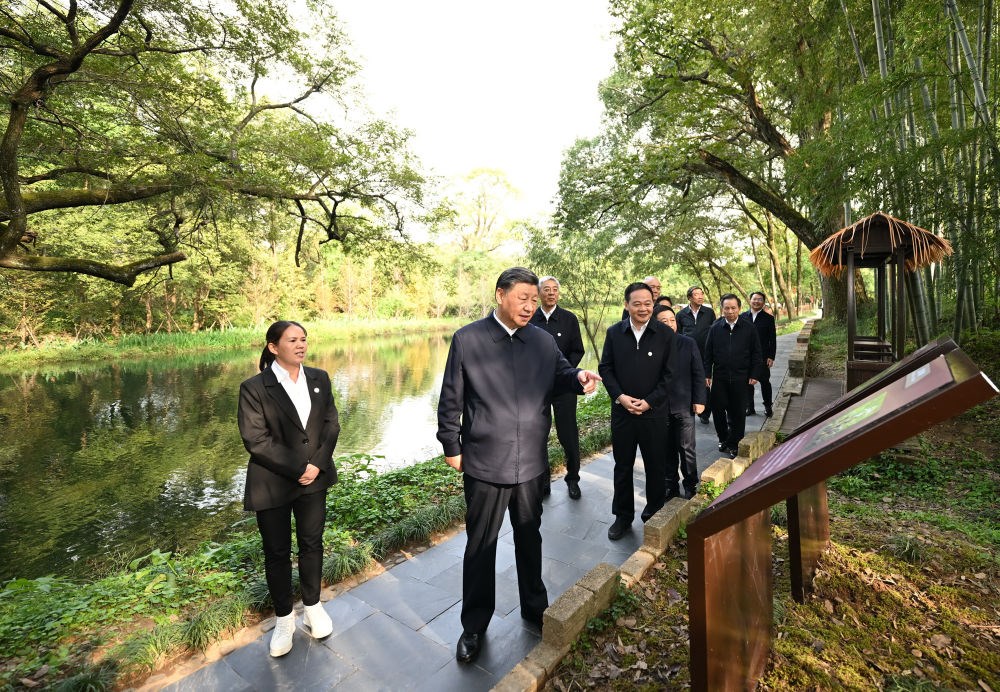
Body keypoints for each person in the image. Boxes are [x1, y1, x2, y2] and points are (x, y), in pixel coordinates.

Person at [437, 267, 602, 664]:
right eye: (522, 298)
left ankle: (534, 606)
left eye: (534, 299)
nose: (530, 306)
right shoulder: (468, 339)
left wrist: (578, 377)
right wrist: (451, 444)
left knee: (530, 536)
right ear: (500, 295)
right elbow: (451, 398)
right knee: (481, 545)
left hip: (529, 459)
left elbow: (562, 374)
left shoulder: (542, 340)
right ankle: (474, 625)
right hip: (484, 461)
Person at [237, 321, 341, 657]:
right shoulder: (254, 388)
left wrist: (317, 465)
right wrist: (299, 468)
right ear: (273, 346)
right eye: (292, 340)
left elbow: (331, 424)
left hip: (315, 478)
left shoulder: (319, 378)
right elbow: (256, 440)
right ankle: (284, 619)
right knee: (277, 552)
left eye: (304, 339)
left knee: (312, 543)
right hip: (272, 482)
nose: (301, 345)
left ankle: (313, 607)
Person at [599, 282, 674, 541]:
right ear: (626, 305)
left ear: (653, 304)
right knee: (622, 466)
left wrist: (649, 401)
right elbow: (605, 368)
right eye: (637, 303)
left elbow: (670, 375)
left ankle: (654, 513)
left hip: (654, 414)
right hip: (623, 414)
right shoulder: (614, 333)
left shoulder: (665, 334)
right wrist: (620, 397)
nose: (643, 308)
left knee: (656, 466)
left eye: (648, 303)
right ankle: (622, 516)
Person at [529, 276, 586, 499]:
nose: (551, 293)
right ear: (539, 293)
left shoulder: (569, 319)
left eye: (554, 289)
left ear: (558, 293)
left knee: (568, 435)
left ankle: (573, 479)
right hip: (537, 388)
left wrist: (565, 372)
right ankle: (543, 482)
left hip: (564, 386)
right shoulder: (530, 318)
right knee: (538, 436)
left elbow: (577, 350)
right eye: (546, 289)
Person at [653, 305, 707, 498]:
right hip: (659, 407)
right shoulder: (649, 345)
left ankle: (691, 484)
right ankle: (671, 485)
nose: (669, 324)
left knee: (686, 448)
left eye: (672, 320)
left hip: (683, 405)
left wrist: (699, 399)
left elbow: (698, 373)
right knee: (666, 449)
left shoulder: (688, 343)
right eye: (664, 321)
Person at [703, 294, 764, 458]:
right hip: (720, 377)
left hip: (741, 377)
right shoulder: (715, 328)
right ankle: (723, 438)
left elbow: (757, 353)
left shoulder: (749, 328)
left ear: (739, 308)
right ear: (722, 309)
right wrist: (707, 373)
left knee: (738, 412)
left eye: (733, 308)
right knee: (717, 410)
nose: (730, 311)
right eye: (726, 308)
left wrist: (755, 373)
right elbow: (708, 353)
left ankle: (735, 443)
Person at [675, 286, 716, 424]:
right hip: (687, 354)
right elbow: (678, 334)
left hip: (705, 353)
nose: (700, 296)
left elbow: (714, 332)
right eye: (696, 294)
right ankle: (688, 409)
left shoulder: (709, 313)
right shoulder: (681, 315)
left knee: (705, 382)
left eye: (701, 294)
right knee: (688, 381)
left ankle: (705, 412)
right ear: (689, 297)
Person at [743, 291, 777, 417]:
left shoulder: (768, 318)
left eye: (760, 299)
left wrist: (771, 356)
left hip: (762, 356)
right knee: (747, 383)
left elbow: (772, 339)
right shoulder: (742, 317)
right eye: (754, 299)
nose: (756, 301)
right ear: (750, 300)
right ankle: (749, 407)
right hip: (745, 356)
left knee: (764, 382)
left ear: (763, 302)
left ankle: (768, 406)